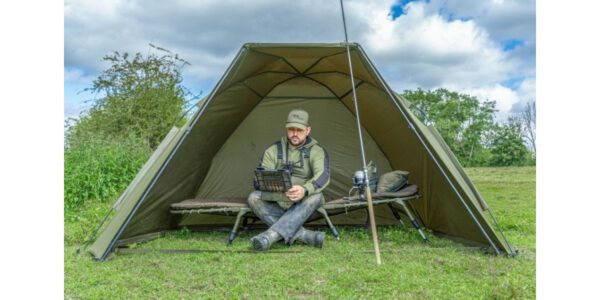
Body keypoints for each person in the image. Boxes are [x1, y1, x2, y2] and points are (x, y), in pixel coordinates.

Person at [247, 108, 330, 251]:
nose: (295, 134)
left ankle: (270, 236)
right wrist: (275, 188)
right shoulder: (273, 149)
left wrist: (304, 190)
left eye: (299, 130)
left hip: (305, 202)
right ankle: (305, 235)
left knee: (317, 196)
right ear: (286, 129)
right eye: (291, 129)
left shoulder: (317, 150)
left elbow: (323, 176)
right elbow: (258, 179)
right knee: (254, 197)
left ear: (308, 130)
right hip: (278, 199)